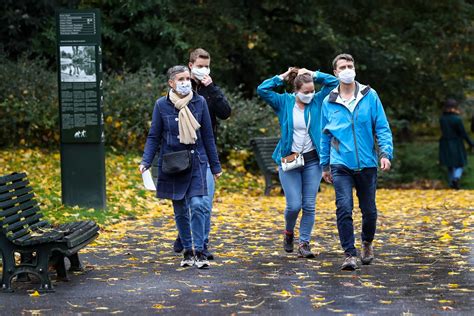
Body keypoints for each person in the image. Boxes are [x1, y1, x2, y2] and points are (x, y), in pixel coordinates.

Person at [140, 65, 222, 269]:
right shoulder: (161, 105)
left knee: (198, 205)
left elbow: (208, 136)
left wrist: (215, 166)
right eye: (181, 79)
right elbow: (154, 136)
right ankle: (187, 250)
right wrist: (146, 161)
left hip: (197, 160)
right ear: (171, 83)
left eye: (187, 78)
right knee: (180, 210)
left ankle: (201, 250)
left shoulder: (199, 101)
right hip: (173, 163)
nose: (186, 82)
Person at [320, 53, 393, 270]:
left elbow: (382, 127)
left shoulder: (370, 96)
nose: (346, 70)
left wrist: (385, 153)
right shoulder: (329, 101)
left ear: (355, 69)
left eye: (349, 65)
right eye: (342, 67)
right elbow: (325, 135)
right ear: (335, 73)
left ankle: (367, 243)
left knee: (369, 211)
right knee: (344, 207)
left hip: (367, 163)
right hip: (340, 163)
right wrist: (325, 164)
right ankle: (349, 254)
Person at [257, 67, 338, 258]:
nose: (310, 95)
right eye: (305, 92)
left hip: (312, 161)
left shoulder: (318, 101)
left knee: (309, 205)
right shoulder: (284, 102)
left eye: (312, 91)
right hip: (289, 160)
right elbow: (262, 90)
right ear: (296, 91)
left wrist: (314, 74)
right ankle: (288, 232)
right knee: (293, 205)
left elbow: (334, 83)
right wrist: (281, 76)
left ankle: (304, 243)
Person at [173, 48, 231, 260]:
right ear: (190, 65)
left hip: (206, 151)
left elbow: (225, 112)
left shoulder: (210, 89)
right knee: (186, 202)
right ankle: (186, 236)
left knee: (204, 202)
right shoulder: (180, 86)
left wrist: (212, 88)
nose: (203, 70)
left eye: (206, 66)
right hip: (181, 153)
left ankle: (202, 245)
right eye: (199, 66)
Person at [439, 98, 474, 189]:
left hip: (445, 143)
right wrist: (471, 143)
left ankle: (452, 184)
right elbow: (463, 133)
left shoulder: (442, 119)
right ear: (455, 107)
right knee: (460, 163)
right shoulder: (457, 119)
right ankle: (456, 178)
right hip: (456, 143)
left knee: (450, 165)